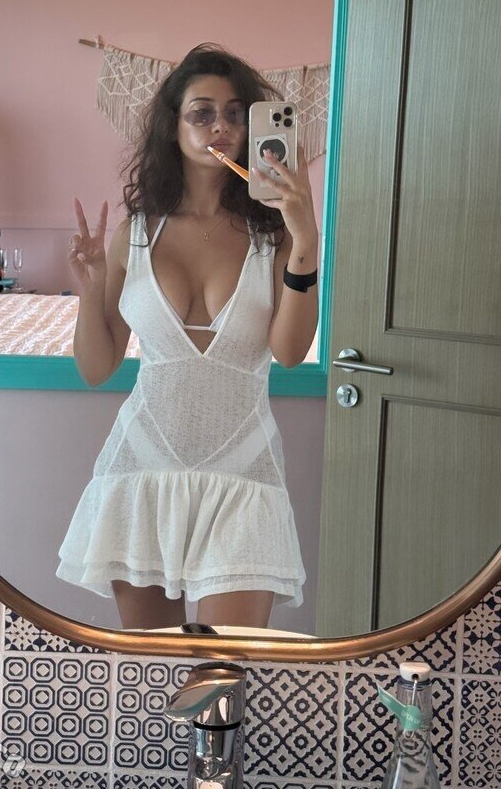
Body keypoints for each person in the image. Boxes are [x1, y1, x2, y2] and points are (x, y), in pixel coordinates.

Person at [57, 43, 319, 629]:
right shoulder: (135, 233)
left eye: (235, 114)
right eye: (202, 113)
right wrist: (93, 287)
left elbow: (289, 353)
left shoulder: (273, 236)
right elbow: (97, 368)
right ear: (173, 127)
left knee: (223, 666)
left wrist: (306, 241)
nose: (220, 127)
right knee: (155, 668)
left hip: (243, 472)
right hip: (141, 468)